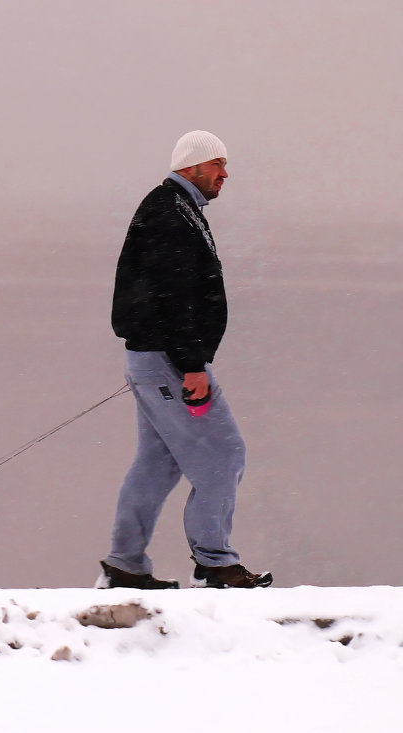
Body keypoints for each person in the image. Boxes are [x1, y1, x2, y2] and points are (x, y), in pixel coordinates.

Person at [99, 130, 273, 589]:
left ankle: (125, 565)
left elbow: (174, 293)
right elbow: (174, 295)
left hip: (158, 357)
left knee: (159, 462)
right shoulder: (170, 213)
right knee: (224, 453)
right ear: (192, 165)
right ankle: (215, 562)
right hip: (169, 361)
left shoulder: (176, 208)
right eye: (218, 164)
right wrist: (193, 365)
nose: (225, 173)